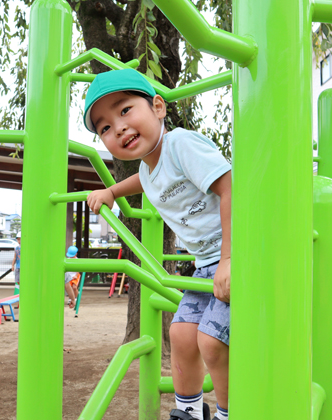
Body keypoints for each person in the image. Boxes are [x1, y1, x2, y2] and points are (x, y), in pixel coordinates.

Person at [85, 69, 232, 420]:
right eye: (104, 127)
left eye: (124, 110)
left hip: (236, 253)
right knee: (181, 334)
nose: (117, 127)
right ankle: (190, 413)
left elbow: (231, 186)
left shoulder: (181, 144)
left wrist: (230, 258)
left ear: (158, 107)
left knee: (212, 342)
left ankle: (232, 413)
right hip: (204, 265)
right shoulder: (150, 169)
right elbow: (144, 180)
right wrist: (111, 191)